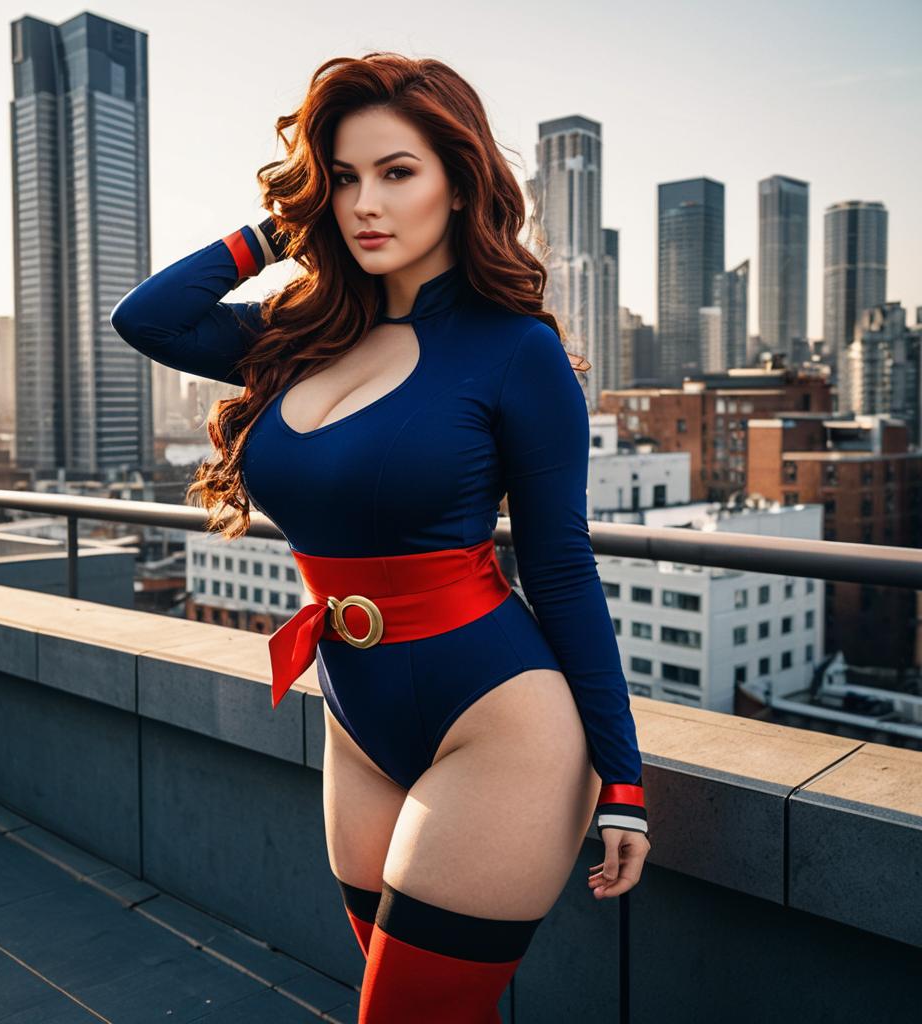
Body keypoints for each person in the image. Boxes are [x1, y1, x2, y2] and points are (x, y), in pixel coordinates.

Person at [111, 50, 650, 1024]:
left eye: (396, 172)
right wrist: (284, 221)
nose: (366, 202)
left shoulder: (515, 348)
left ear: (458, 180)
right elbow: (145, 317)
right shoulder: (299, 330)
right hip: (355, 716)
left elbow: (562, 566)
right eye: (346, 177)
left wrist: (622, 779)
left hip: (501, 723)